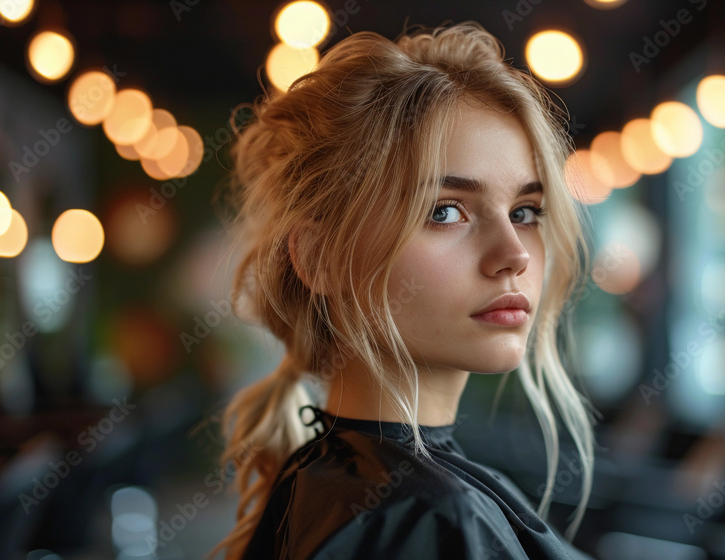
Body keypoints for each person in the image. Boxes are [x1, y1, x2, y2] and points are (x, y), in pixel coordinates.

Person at [211, 20, 599, 560]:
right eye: (445, 211)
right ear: (321, 259)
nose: (513, 255)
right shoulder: (432, 519)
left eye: (525, 212)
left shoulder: (326, 481)